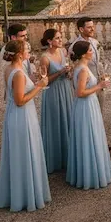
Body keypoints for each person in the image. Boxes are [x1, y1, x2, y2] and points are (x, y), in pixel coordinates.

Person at [0, 40, 50, 212]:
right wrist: (39, 87)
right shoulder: (18, 73)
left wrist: (33, 83)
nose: (29, 51)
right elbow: (20, 101)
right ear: (19, 54)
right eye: (27, 49)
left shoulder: (10, 69)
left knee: (20, 153)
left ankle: (21, 192)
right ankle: (26, 195)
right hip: (22, 115)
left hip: (18, 114)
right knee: (25, 152)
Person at [67, 41, 111, 190]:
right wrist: (99, 86)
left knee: (89, 136)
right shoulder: (83, 70)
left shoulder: (81, 67)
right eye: (90, 50)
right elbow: (79, 93)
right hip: (86, 106)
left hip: (88, 104)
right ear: (85, 54)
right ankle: (90, 174)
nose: (92, 52)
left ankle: (87, 172)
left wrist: (98, 85)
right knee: (89, 136)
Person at [38, 29, 74, 174]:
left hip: (65, 89)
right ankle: (54, 159)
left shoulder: (63, 52)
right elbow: (44, 81)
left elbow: (68, 71)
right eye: (57, 38)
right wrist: (59, 72)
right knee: (55, 122)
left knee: (67, 119)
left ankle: (67, 157)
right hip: (52, 92)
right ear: (49, 41)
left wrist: (69, 72)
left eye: (61, 38)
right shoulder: (45, 58)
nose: (60, 40)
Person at [69, 17, 105, 114]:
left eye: (92, 26)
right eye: (89, 27)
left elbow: (100, 61)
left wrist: (102, 74)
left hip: (99, 83)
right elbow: (72, 68)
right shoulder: (75, 46)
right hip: (87, 86)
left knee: (99, 113)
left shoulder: (95, 42)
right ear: (81, 29)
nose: (93, 29)